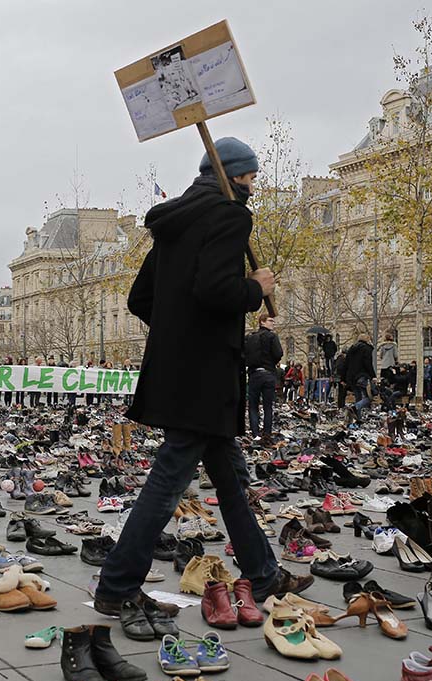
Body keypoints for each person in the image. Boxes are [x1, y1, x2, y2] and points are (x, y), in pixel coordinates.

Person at [95, 136, 311, 626]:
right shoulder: (231, 216)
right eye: (252, 177)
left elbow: (140, 298)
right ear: (235, 175)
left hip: (175, 370)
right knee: (168, 482)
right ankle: (117, 586)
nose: (254, 186)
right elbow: (217, 290)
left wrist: (178, 330)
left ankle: (262, 573)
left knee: (230, 478)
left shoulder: (172, 222)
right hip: (207, 376)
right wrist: (257, 288)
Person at [243, 312, 282, 443]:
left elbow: (244, 353)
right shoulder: (272, 336)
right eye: (270, 321)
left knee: (253, 406)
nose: (273, 323)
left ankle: (255, 433)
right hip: (268, 373)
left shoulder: (250, 337)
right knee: (267, 406)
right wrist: (271, 362)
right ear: (262, 322)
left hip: (254, 374)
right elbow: (278, 353)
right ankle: (267, 433)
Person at [344, 334, 375, 423]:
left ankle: (358, 418)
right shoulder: (367, 349)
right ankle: (355, 407)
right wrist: (373, 376)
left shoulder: (351, 349)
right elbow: (368, 363)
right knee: (369, 397)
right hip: (362, 375)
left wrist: (345, 378)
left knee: (358, 397)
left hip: (351, 377)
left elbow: (346, 364)